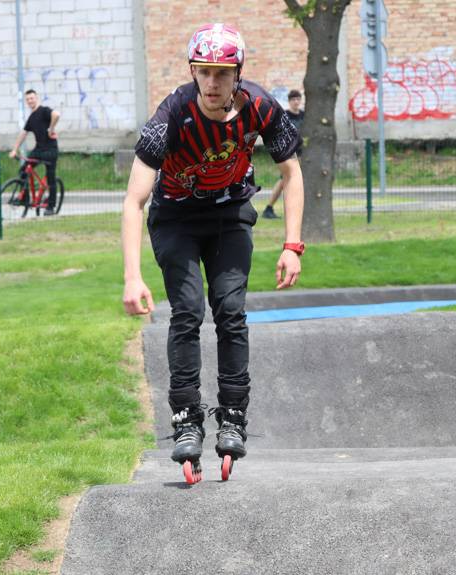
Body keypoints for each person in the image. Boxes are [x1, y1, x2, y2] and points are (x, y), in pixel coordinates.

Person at [121, 23, 305, 483]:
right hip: (176, 219)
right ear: (193, 71)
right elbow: (133, 200)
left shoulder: (261, 106)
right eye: (203, 72)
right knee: (186, 312)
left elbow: (293, 172)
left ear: (237, 74)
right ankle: (185, 421)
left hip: (229, 217)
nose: (211, 83)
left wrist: (292, 245)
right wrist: (131, 276)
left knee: (230, 310)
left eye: (221, 73)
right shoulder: (172, 113)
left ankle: (233, 416)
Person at [9, 89, 61, 215]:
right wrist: (15, 149)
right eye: (27, 99)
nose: (30, 101)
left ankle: (51, 206)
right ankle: (25, 197)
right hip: (38, 149)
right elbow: (23, 133)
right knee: (23, 170)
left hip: (50, 149)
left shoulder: (43, 110)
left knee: (50, 178)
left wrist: (51, 128)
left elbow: (57, 115)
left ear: (36, 98)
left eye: (32, 98)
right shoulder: (31, 117)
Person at [262, 89, 304, 219]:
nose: (296, 102)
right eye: (293, 99)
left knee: (296, 180)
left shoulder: (304, 115)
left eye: (298, 99)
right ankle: (269, 207)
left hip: (301, 152)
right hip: (288, 154)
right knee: (284, 180)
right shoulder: (285, 115)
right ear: (289, 101)